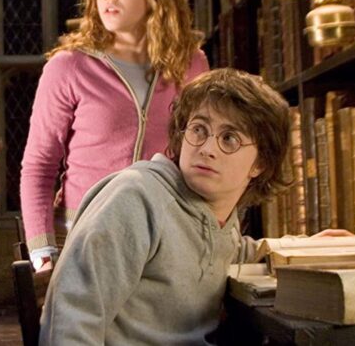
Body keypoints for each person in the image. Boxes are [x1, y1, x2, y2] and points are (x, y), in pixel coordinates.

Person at [38, 68, 292, 345]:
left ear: (260, 163)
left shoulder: (217, 215)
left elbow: (226, 249)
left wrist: (299, 247)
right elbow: (70, 320)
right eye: (199, 129)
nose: (207, 148)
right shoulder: (135, 199)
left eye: (229, 138)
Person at [20, 0, 209, 270]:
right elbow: (39, 165)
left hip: (165, 238)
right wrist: (43, 254)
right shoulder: (68, 67)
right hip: (84, 240)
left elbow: (202, 155)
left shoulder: (191, 64)